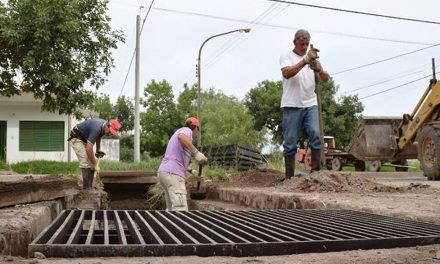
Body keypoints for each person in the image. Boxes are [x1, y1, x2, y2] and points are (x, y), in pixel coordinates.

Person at [279, 29, 330, 180]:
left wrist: (319, 69)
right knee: (290, 142)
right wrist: (305, 61)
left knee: (315, 134)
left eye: (307, 44)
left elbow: (326, 78)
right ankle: (289, 177)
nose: (304, 46)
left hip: (310, 103)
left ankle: (316, 173)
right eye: (302, 44)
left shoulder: (312, 60)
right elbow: (287, 73)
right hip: (292, 105)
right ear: (294, 42)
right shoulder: (287, 57)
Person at [157, 117, 208, 211]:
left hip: (165, 173)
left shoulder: (180, 136)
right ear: (196, 127)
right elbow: (181, 137)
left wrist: (191, 171)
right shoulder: (186, 131)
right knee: (180, 209)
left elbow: (175, 157)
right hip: (173, 175)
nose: (197, 133)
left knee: (172, 209)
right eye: (198, 130)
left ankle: (169, 225)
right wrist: (196, 153)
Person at [68, 118, 122, 189]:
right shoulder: (96, 128)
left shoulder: (103, 127)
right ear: (108, 125)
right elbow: (89, 148)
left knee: (90, 161)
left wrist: (98, 149)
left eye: (111, 133)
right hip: (76, 138)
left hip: (84, 139)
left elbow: (98, 136)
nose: (109, 134)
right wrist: (95, 164)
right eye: (110, 131)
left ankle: (90, 186)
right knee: (85, 162)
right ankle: (87, 189)